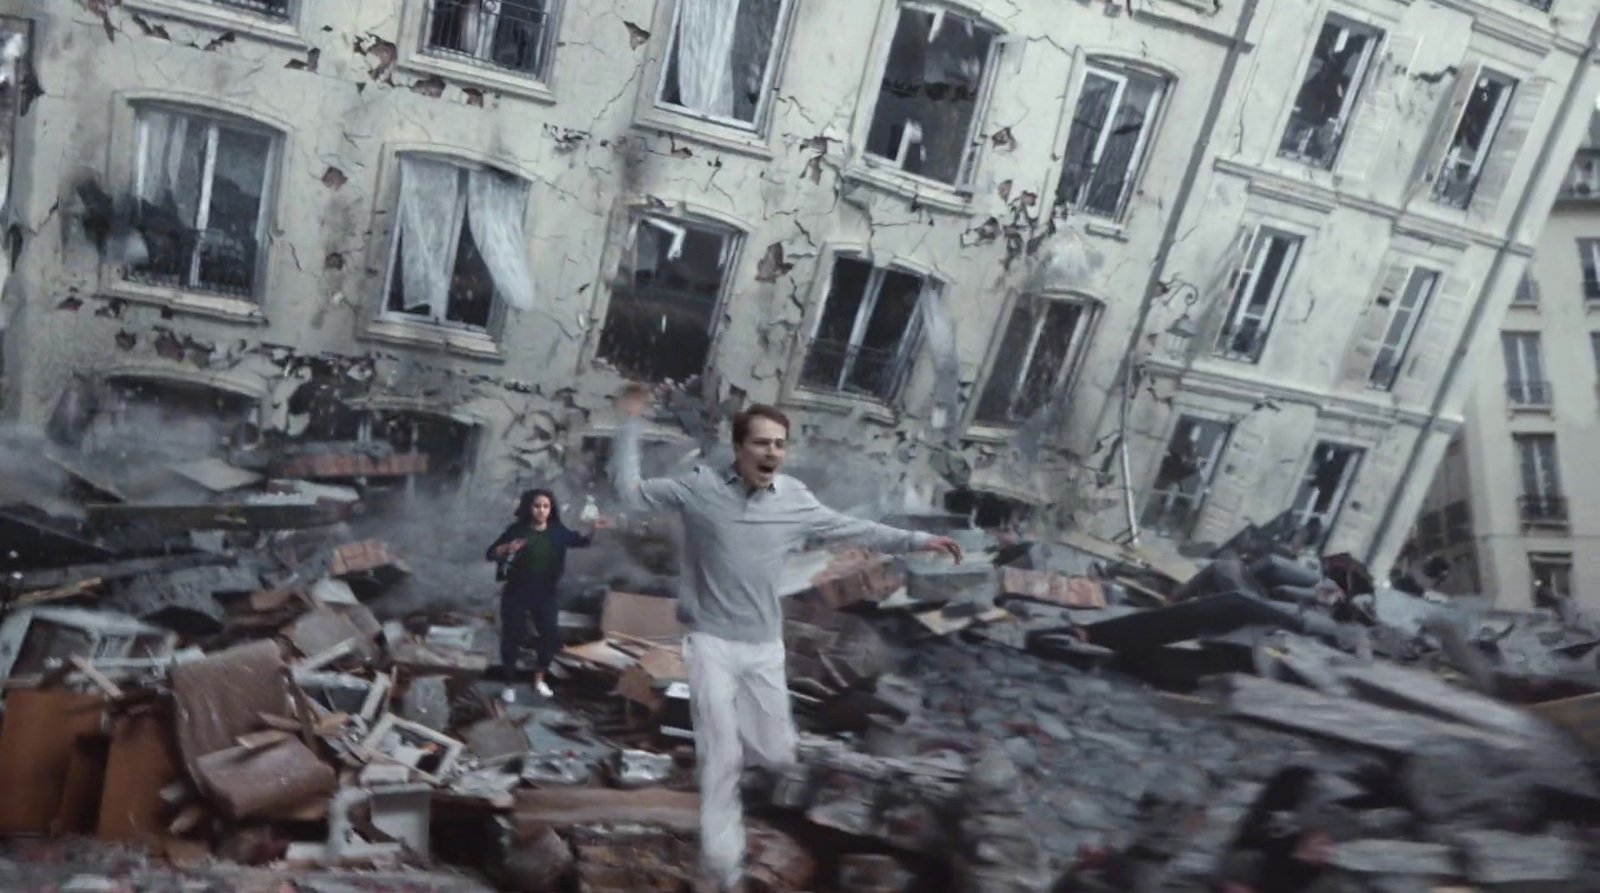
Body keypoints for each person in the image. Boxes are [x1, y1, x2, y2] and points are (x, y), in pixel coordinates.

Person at [612, 385, 961, 892]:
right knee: (722, 759)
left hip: (763, 647)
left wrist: (918, 541)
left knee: (778, 755)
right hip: (711, 644)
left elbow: (851, 528)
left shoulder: (795, 499)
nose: (772, 452)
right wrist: (631, 423)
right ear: (738, 448)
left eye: (779, 444)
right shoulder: (698, 490)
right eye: (761, 443)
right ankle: (723, 873)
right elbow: (629, 490)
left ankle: (739, 782)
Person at [486, 488, 603, 703]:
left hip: (545, 592)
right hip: (516, 590)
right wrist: (507, 548)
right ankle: (509, 683)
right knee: (512, 636)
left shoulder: (558, 532)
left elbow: (582, 542)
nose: (541, 510)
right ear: (529, 508)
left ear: (551, 509)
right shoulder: (517, 530)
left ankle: (539, 678)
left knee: (549, 634)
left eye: (546, 506)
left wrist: (595, 530)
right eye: (537, 506)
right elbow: (490, 553)